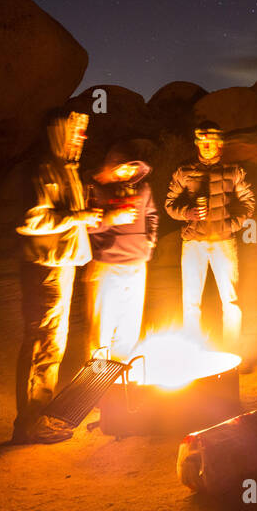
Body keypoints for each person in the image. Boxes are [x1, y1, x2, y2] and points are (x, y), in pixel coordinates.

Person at [12, 109, 102, 444]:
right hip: (45, 268)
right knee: (43, 344)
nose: (83, 137)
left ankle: (38, 416)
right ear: (59, 131)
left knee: (53, 343)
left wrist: (83, 218)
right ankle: (29, 423)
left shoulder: (66, 170)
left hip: (60, 265)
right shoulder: (44, 169)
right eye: (77, 130)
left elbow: (68, 217)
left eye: (84, 131)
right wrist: (80, 215)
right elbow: (31, 220)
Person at [164, 121, 255, 352]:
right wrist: (187, 212)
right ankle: (193, 350)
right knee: (191, 302)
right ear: (197, 143)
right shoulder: (184, 171)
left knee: (231, 301)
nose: (206, 145)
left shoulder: (233, 170)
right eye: (202, 141)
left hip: (224, 242)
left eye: (211, 141)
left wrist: (232, 224)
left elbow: (248, 201)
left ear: (219, 144)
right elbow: (169, 204)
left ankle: (232, 352)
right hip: (194, 242)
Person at [85, 144, 157, 363]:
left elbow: (152, 214)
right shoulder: (96, 189)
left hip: (137, 264)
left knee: (130, 322)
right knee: (103, 324)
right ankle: (96, 379)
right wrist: (111, 218)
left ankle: (121, 375)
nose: (128, 173)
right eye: (123, 168)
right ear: (112, 166)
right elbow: (86, 225)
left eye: (133, 168)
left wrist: (150, 240)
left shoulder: (143, 189)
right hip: (108, 264)